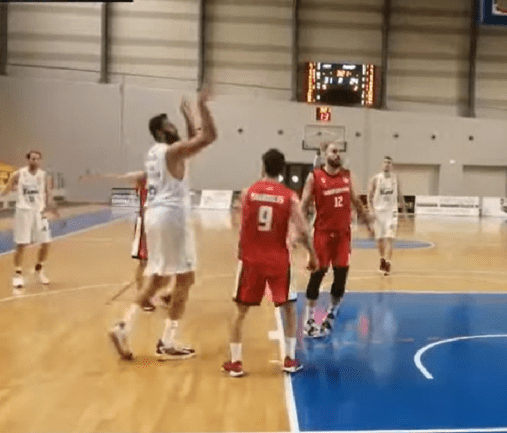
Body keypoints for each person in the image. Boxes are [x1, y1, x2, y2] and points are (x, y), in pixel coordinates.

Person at [108, 88, 217, 361]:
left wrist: (188, 115)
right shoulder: (172, 152)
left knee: (158, 279)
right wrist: (202, 106)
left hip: (154, 216)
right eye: (170, 124)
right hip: (172, 218)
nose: (174, 127)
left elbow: (190, 140)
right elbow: (207, 137)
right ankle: (168, 342)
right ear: (160, 131)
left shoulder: (154, 153)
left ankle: (123, 327)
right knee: (185, 279)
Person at [221, 149, 318, 377]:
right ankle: (290, 359)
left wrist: (242, 246)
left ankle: (235, 362)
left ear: (263, 167)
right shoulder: (289, 196)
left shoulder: (248, 193)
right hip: (279, 260)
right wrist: (312, 254)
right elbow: (304, 229)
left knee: (240, 311)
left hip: (251, 259)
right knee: (289, 308)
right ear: (282, 170)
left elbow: (239, 223)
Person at [299, 141, 374, 338]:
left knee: (340, 279)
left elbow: (356, 201)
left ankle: (331, 314)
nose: (337, 154)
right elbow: (303, 204)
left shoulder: (347, 176)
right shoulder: (315, 177)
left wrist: (368, 222)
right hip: (322, 234)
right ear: (324, 154)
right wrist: (297, 229)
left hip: (343, 235)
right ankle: (309, 319)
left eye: (339, 151)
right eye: (333, 151)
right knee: (317, 276)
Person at [79, 170, 172, 310]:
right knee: (144, 262)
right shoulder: (144, 177)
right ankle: (142, 297)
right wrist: (96, 177)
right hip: (146, 226)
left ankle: (163, 294)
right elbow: (122, 177)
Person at [0, 150, 57, 289]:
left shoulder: (44, 176)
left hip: (39, 212)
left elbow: (49, 194)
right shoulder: (18, 174)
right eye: (32, 158)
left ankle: (39, 269)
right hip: (23, 212)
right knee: (21, 244)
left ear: (40, 161)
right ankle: (18, 275)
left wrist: (53, 208)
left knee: (46, 242)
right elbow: (6, 190)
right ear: (28, 160)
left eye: (37, 159)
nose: (35, 161)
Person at [367, 156, 408, 274]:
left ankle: (389, 262)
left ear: (391, 165)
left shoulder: (395, 178)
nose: (387, 164)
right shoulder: (376, 179)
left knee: (390, 238)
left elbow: (399, 194)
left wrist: (404, 211)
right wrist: (371, 210)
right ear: (382, 164)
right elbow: (369, 196)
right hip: (378, 212)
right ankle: (382, 259)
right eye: (385, 162)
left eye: (389, 162)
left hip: (392, 211)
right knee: (379, 239)